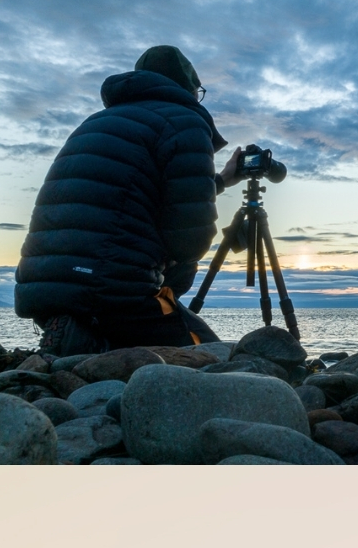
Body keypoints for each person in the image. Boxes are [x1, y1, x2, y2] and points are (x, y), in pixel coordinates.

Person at [14, 46, 245, 354]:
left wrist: (224, 180)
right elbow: (190, 241)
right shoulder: (185, 122)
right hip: (113, 293)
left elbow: (131, 198)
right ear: (190, 89)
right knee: (211, 355)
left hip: (41, 290)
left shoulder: (94, 123)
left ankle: (82, 337)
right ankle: (89, 340)